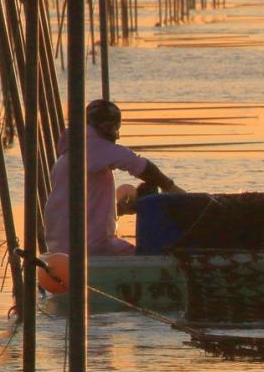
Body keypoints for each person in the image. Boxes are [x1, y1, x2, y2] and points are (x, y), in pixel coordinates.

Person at [43, 99, 182, 256]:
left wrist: (121, 210)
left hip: (59, 246)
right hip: (90, 246)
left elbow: (78, 207)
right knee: (147, 256)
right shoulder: (93, 146)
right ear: (108, 127)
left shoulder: (66, 157)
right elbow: (140, 166)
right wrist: (170, 187)